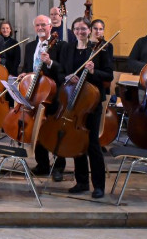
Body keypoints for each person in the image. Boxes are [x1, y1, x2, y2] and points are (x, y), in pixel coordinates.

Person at [59, 17, 112, 199]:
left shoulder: (99, 49)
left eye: (83, 29)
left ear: (89, 30)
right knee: (77, 140)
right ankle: (81, 182)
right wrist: (67, 76)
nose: (80, 32)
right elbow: (61, 70)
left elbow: (109, 75)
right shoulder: (68, 48)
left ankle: (98, 186)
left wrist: (92, 72)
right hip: (73, 100)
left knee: (92, 144)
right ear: (73, 31)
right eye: (77, 29)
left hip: (91, 103)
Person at [21, 15, 67, 179]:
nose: (40, 28)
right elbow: (28, 67)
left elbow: (64, 71)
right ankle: (42, 164)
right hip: (34, 94)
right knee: (37, 129)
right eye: (37, 25)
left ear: (50, 27)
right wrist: (24, 74)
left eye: (43, 25)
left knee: (54, 131)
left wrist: (49, 63)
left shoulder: (61, 46)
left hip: (53, 95)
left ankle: (58, 167)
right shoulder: (30, 46)